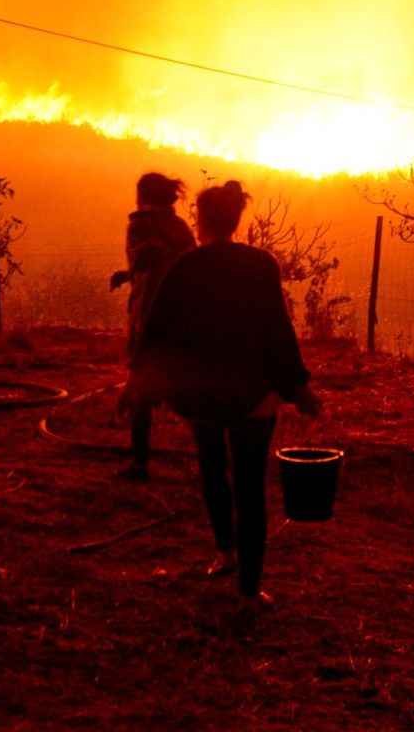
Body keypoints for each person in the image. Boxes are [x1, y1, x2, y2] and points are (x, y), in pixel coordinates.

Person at [132, 180, 321, 615]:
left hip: (199, 392)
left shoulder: (186, 267)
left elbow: (157, 331)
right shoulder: (260, 264)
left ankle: (225, 552)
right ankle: (249, 591)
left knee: (213, 469)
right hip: (254, 393)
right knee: (250, 486)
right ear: (237, 219)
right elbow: (278, 330)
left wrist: (141, 383)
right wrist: (298, 386)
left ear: (200, 220)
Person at [109, 171, 195, 479]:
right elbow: (181, 265)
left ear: (143, 197)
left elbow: (154, 263)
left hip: (149, 316)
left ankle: (139, 462)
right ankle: (214, 451)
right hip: (184, 316)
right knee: (189, 385)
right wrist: (128, 273)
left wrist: (139, 267)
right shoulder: (180, 228)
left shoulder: (139, 227)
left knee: (143, 388)